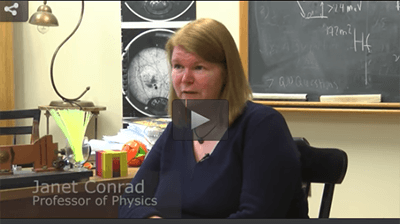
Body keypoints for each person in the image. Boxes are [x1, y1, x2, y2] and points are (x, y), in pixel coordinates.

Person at [119, 18, 309, 219]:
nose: (185, 79)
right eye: (178, 67)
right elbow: (131, 200)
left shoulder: (263, 127)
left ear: (227, 74)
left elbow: (255, 216)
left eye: (199, 67)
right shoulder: (180, 128)